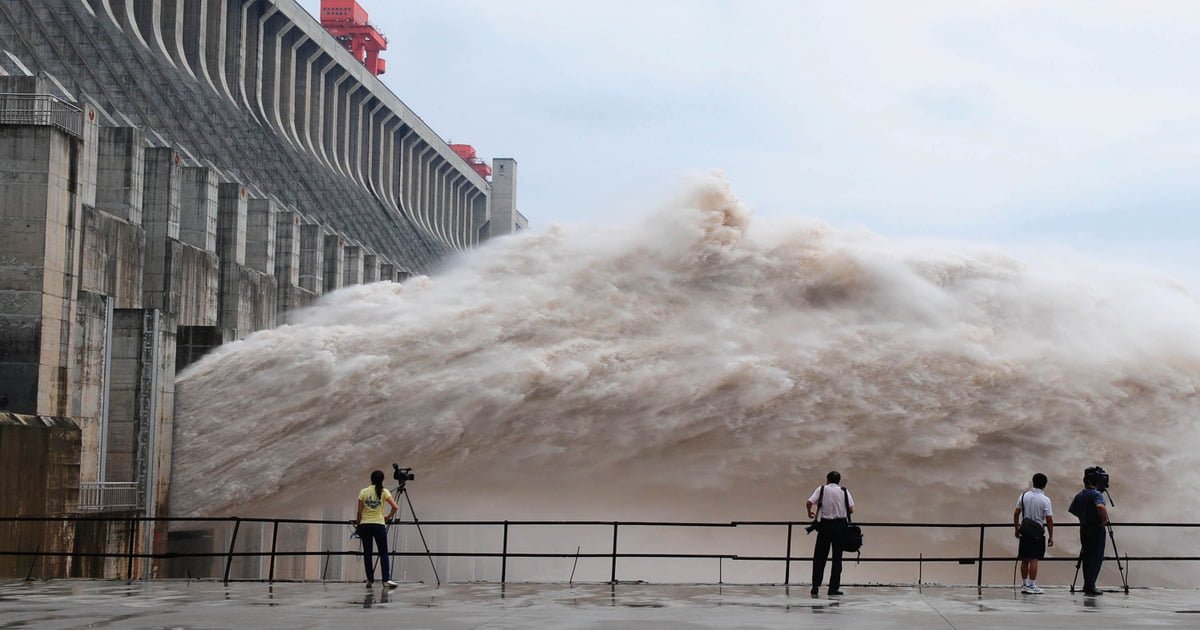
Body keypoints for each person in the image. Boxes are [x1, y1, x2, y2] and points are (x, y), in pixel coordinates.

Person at [806, 470, 855, 596]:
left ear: (827, 480)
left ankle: (815, 586)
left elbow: (809, 502)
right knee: (837, 559)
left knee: (819, 557)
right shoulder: (844, 491)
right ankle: (833, 589)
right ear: (839, 481)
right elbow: (851, 509)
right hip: (840, 527)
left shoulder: (822, 489)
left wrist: (809, 512)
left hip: (825, 526)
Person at [1068, 466, 1110, 596]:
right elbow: (1100, 507)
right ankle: (1091, 585)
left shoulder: (1080, 495)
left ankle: (1087, 584)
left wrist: (1084, 517)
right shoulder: (1096, 494)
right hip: (1096, 529)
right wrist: (1104, 521)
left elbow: (1073, 510)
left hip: (1084, 528)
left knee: (1086, 557)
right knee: (1096, 557)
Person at [354, 470, 400, 588]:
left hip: (365, 525)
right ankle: (386, 580)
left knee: (367, 553)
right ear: (382, 480)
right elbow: (395, 507)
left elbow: (359, 512)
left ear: (371, 479)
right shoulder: (384, 492)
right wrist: (388, 517)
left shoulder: (363, 492)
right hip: (379, 525)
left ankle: (370, 580)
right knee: (383, 552)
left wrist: (358, 525)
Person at [1013, 473, 1054, 594]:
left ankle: (1024, 584)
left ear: (1033, 482)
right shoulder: (1045, 500)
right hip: (1037, 533)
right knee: (1034, 559)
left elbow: (1016, 513)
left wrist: (1017, 529)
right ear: (1045, 485)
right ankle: (1032, 585)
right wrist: (1051, 536)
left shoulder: (1023, 495)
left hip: (1025, 531)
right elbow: (1049, 520)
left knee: (1024, 559)